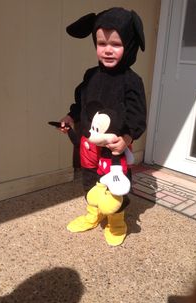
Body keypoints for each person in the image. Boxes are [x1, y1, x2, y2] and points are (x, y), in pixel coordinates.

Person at [60, 7, 147, 246]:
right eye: (101, 43)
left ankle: (117, 222)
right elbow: (81, 102)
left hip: (114, 149)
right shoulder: (90, 75)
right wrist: (71, 116)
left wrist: (127, 138)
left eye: (116, 44)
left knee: (116, 188)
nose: (108, 50)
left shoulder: (131, 81)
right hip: (90, 145)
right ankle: (93, 214)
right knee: (89, 180)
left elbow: (138, 115)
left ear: (129, 44)